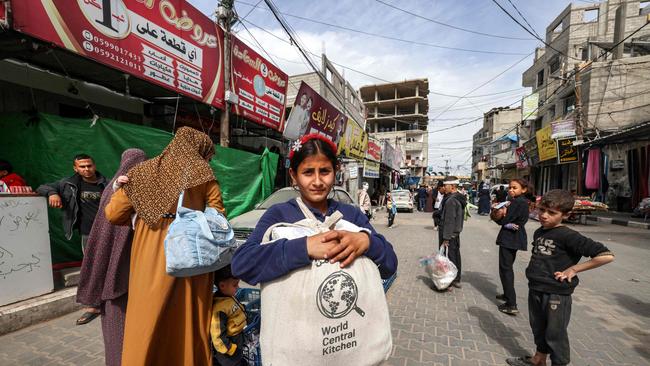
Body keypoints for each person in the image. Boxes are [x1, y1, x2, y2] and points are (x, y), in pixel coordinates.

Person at [105, 127, 224, 366]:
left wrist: (122, 192)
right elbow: (218, 214)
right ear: (198, 149)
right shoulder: (203, 174)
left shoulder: (141, 172)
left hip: (149, 254)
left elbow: (113, 214)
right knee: (188, 316)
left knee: (146, 314)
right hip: (191, 253)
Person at [231, 132, 397, 284]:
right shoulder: (279, 214)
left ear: (335, 172)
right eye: (308, 172)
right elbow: (242, 265)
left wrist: (367, 242)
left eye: (324, 171)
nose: (317, 182)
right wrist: (305, 247)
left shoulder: (351, 215)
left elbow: (389, 266)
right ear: (293, 176)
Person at [506, 190, 614, 366]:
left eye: (552, 213)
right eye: (542, 210)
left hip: (556, 294)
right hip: (536, 288)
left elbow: (606, 255)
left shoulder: (569, 236)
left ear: (566, 215)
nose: (544, 216)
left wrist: (574, 269)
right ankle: (538, 359)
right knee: (538, 328)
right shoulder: (540, 232)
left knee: (555, 334)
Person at [76, 148, 146, 366]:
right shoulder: (116, 188)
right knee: (121, 318)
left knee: (116, 320)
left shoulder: (110, 186)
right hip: (131, 270)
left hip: (113, 272)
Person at [36, 153, 108, 325]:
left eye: (89, 165)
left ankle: (110, 300)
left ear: (94, 165)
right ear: (75, 168)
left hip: (109, 231)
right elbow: (42, 187)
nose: (86, 169)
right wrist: (53, 193)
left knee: (110, 265)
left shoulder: (107, 183)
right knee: (91, 268)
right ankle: (93, 305)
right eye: (82, 166)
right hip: (88, 233)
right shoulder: (68, 184)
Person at [493, 179, 532, 315]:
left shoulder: (518, 202)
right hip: (513, 236)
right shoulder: (519, 201)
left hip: (510, 238)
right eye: (510, 187)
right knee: (506, 267)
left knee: (505, 269)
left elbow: (504, 220)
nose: (511, 190)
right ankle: (507, 295)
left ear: (524, 189)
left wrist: (502, 217)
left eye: (515, 188)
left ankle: (511, 303)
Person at [211, 265, 247, 366]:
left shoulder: (228, 297)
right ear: (222, 286)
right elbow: (217, 336)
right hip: (229, 353)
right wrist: (230, 349)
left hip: (236, 341)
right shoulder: (219, 308)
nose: (238, 287)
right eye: (235, 285)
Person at [438, 176, 467, 289]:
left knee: (448, 258)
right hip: (455, 234)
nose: (444, 188)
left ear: (453, 186)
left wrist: (446, 238)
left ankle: (449, 281)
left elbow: (449, 220)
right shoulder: (458, 198)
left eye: (445, 186)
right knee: (455, 256)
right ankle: (456, 279)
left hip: (449, 234)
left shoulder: (451, 200)